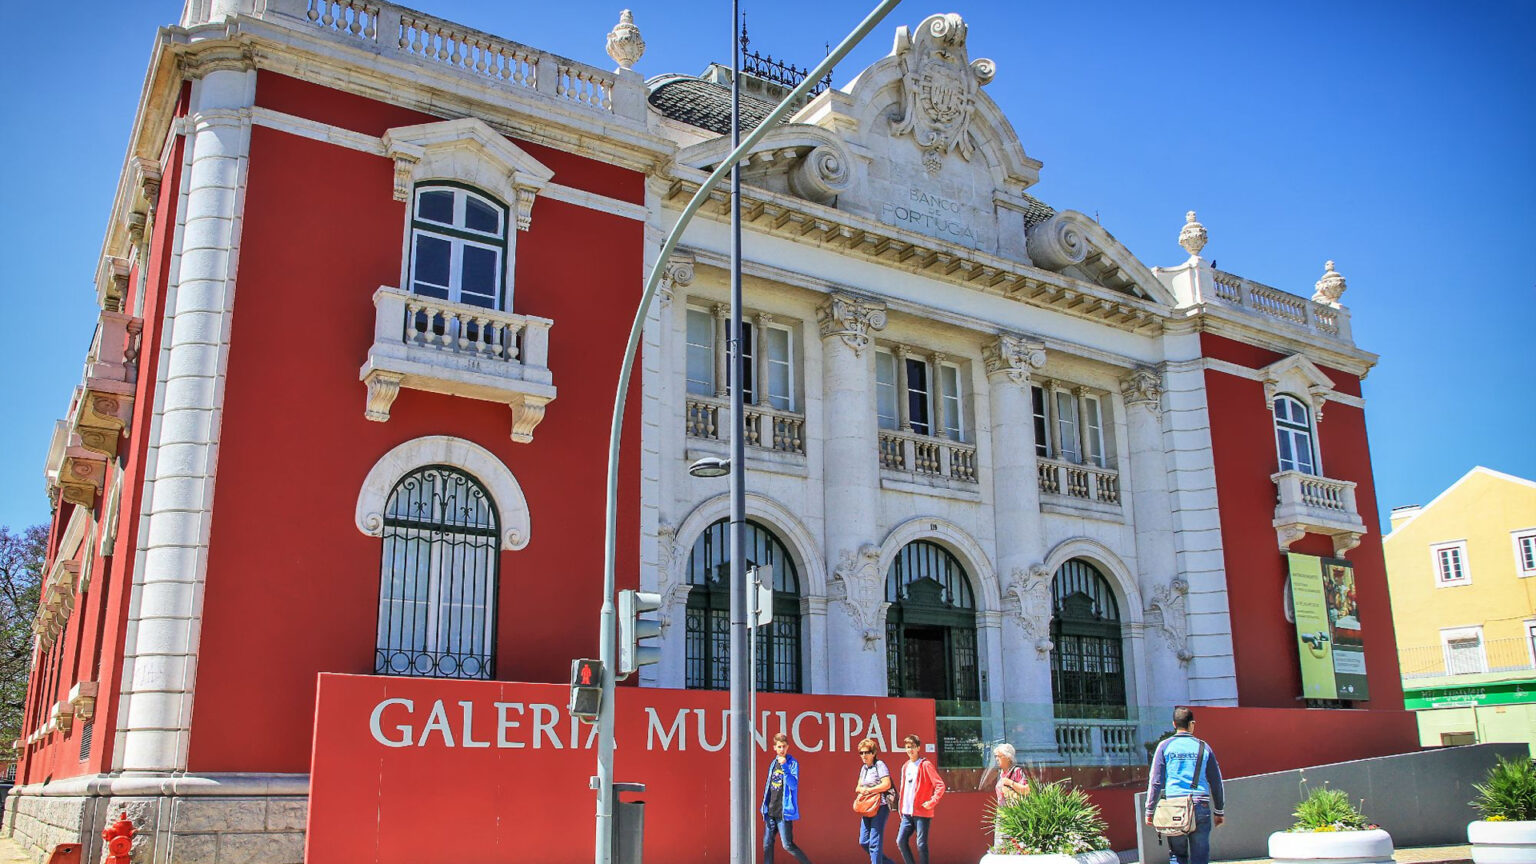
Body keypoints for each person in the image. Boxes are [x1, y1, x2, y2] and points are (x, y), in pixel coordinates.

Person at [1144, 706, 1226, 864]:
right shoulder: (1204, 747)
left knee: (1177, 855)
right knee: (1200, 857)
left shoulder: (1164, 746)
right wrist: (1219, 811)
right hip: (1200, 805)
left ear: (1174, 724)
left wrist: (1150, 810)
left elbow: (1155, 781)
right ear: (1192, 724)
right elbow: (1216, 781)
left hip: (1174, 807)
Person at [762, 732, 815, 864]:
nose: (781, 749)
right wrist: (765, 806)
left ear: (788, 747)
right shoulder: (773, 763)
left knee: (787, 845)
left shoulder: (792, 763)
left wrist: (785, 766)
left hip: (783, 812)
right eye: (779, 747)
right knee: (767, 844)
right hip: (771, 810)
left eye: (784, 746)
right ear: (774, 747)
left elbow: (793, 784)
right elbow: (769, 787)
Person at [895, 734, 945, 864]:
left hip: (922, 812)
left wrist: (932, 801)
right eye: (907, 747)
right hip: (907, 813)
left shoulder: (925, 765)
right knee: (901, 841)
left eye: (912, 747)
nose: (909, 750)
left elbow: (940, 785)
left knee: (921, 844)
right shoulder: (905, 766)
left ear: (918, 748)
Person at [854, 738, 897, 864]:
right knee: (863, 841)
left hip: (880, 807)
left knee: (874, 842)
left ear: (873, 753)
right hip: (867, 808)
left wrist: (870, 790)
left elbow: (886, 784)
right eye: (861, 753)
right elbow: (858, 787)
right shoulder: (864, 769)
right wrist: (862, 790)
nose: (864, 755)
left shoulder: (880, 765)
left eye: (866, 752)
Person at [991, 742, 1030, 848]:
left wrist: (1009, 782)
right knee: (1001, 842)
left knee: (1013, 841)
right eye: (996, 756)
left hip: (1014, 812)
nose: (997, 759)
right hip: (1002, 812)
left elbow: (1026, 790)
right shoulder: (1000, 773)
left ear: (1008, 757)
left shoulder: (1016, 771)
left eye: (999, 756)